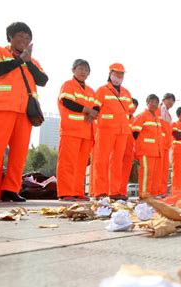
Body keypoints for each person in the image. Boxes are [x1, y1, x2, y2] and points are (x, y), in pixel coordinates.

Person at [0, 22, 48, 203]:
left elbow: (43, 80)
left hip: (25, 111)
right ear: (10, 37)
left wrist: (27, 61)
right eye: (20, 36)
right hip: (2, 107)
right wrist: (19, 60)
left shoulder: (32, 61)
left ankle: (10, 189)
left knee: (19, 152)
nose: (24, 40)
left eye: (27, 38)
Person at [56, 59, 98, 201]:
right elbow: (67, 102)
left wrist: (93, 114)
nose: (83, 72)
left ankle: (78, 191)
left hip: (86, 131)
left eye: (86, 70)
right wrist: (87, 110)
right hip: (71, 130)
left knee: (81, 164)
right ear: (73, 70)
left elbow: (96, 107)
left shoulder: (91, 91)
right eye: (81, 68)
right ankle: (65, 192)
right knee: (67, 162)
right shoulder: (68, 85)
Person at [93, 63, 133, 200]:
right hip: (106, 130)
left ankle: (114, 191)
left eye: (121, 74)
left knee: (117, 162)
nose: (119, 76)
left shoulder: (126, 92)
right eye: (116, 74)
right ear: (110, 74)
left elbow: (130, 110)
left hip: (122, 131)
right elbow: (95, 108)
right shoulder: (102, 90)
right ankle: (100, 191)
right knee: (102, 160)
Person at [132, 94, 162, 197]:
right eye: (152, 102)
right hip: (145, 150)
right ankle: (144, 195)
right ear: (147, 102)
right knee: (146, 173)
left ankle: (152, 195)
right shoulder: (142, 116)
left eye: (156, 102)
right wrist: (138, 148)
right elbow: (134, 132)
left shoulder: (157, 119)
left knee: (154, 174)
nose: (154, 104)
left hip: (156, 151)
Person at [119, 98, 139, 198]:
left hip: (129, 148)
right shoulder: (121, 116)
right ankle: (114, 190)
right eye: (132, 105)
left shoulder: (135, 120)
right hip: (119, 145)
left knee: (126, 170)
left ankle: (122, 191)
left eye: (135, 106)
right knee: (116, 167)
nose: (133, 108)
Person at [157, 93, 175, 196]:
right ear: (163, 100)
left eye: (172, 100)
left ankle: (162, 191)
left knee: (164, 170)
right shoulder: (158, 110)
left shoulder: (167, 114)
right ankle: (157, 191)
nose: (171, 102)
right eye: (169, 99)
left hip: (166, 145)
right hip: (159, 144)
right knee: (158, 170)